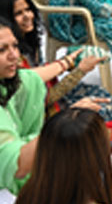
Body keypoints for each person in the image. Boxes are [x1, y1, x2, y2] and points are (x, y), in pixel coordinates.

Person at [0, 17, 105, 194]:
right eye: (2, 49)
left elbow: (34, 77)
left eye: (15, 46)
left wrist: (71, 64)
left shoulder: (17, 69)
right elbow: (14, 163)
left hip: (42, 119)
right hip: (20, 156)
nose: (14, 55)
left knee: (98, 115)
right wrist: (66, 120)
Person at [0, 0, 112, 122]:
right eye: (18, 13)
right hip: (37, 114)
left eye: (28, 9)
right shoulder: (13, 60)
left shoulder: (29, 40)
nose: (27, 16)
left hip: (46, 97)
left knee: (104, 99)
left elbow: (44, 81)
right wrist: (78, 70)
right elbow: (42, 99)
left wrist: (72, 62)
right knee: (98, 113)